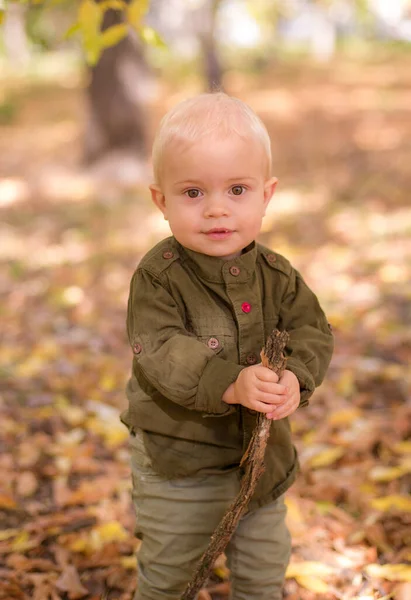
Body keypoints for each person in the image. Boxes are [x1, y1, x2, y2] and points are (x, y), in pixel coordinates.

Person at [121, 92, 334, 600]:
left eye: (237, 189)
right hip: (179, 464)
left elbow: (311, 332)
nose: (216, 209)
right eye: (193, 193)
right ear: (161, 201)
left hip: (261, 463)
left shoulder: (278, 276)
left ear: (266, 194)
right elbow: (160, 348)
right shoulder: (159, 277)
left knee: (263, 569)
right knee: (170, 572)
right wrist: (229, 382)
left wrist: (295, 378)